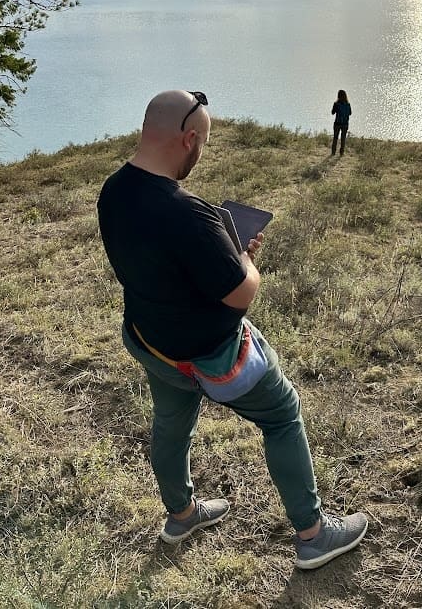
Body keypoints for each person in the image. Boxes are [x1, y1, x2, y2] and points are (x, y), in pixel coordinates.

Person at [97, 89, 367, 570]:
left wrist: (221, 255)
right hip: (211, 353)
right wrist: (243, 259)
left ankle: (181, 514)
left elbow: (155, 265)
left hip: (152, 342)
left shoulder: (113, 191)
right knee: (282, 415)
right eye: (203, 143)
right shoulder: (191, 215)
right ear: (189, 138)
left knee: (171, 424)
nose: (200, 153)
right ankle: (313, 534)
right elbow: (242, 294)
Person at [331, 89, 352, 155]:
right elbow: (350, 113)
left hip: (337, 123)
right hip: (345, 124)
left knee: (335, 138)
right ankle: (341, 153)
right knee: (343, 139)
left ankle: (333, 152)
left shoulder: (336, 104)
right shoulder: (348, 104)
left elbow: (332, 112)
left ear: (338, 96)